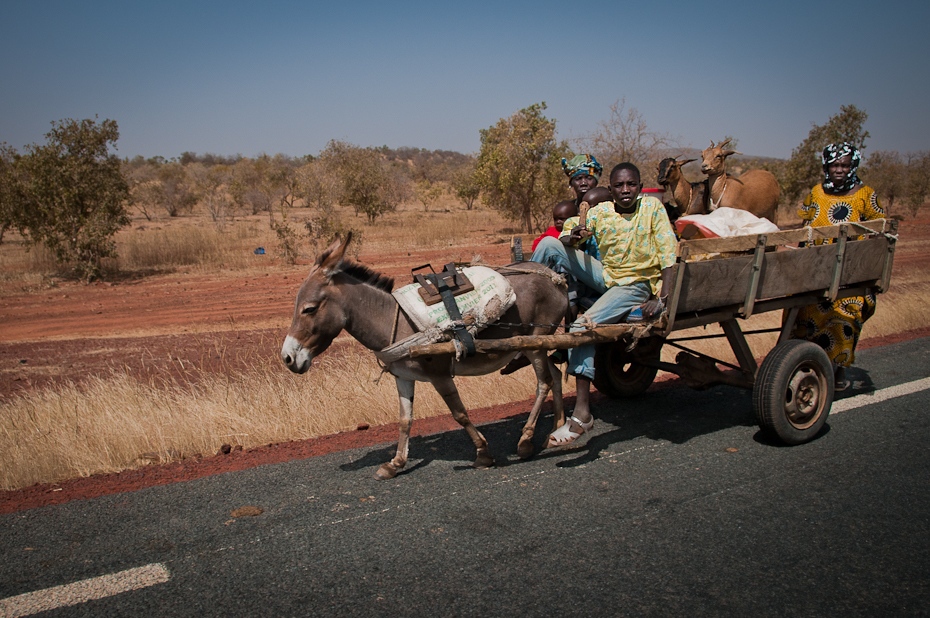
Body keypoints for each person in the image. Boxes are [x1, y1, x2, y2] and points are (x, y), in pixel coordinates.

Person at [532, 162, 678, 446]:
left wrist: (661, 299)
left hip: (635, 285)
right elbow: (576, 225)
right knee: (551, 245)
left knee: (582, 325)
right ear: (611, 189)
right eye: (620, 186)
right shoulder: (601, 211)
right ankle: (520, 306)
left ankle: (583, 413)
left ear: (639, 185)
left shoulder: (651, 209)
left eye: (631, 185)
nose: (626, 191)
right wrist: (571, 236)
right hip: (608, 277)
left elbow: (668, 254)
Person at [791, 142, 885, 390]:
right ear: (826, 167)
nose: (839, 170)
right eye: (834, 165)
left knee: (844, 317)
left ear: (853, 166)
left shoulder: (866, 195)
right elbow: (805, 228)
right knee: (804, 316)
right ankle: (807, 366)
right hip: (816, 269)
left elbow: (880, 233)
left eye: (844, 165)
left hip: (851, 274)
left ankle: (838, 370)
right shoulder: (816, 193)